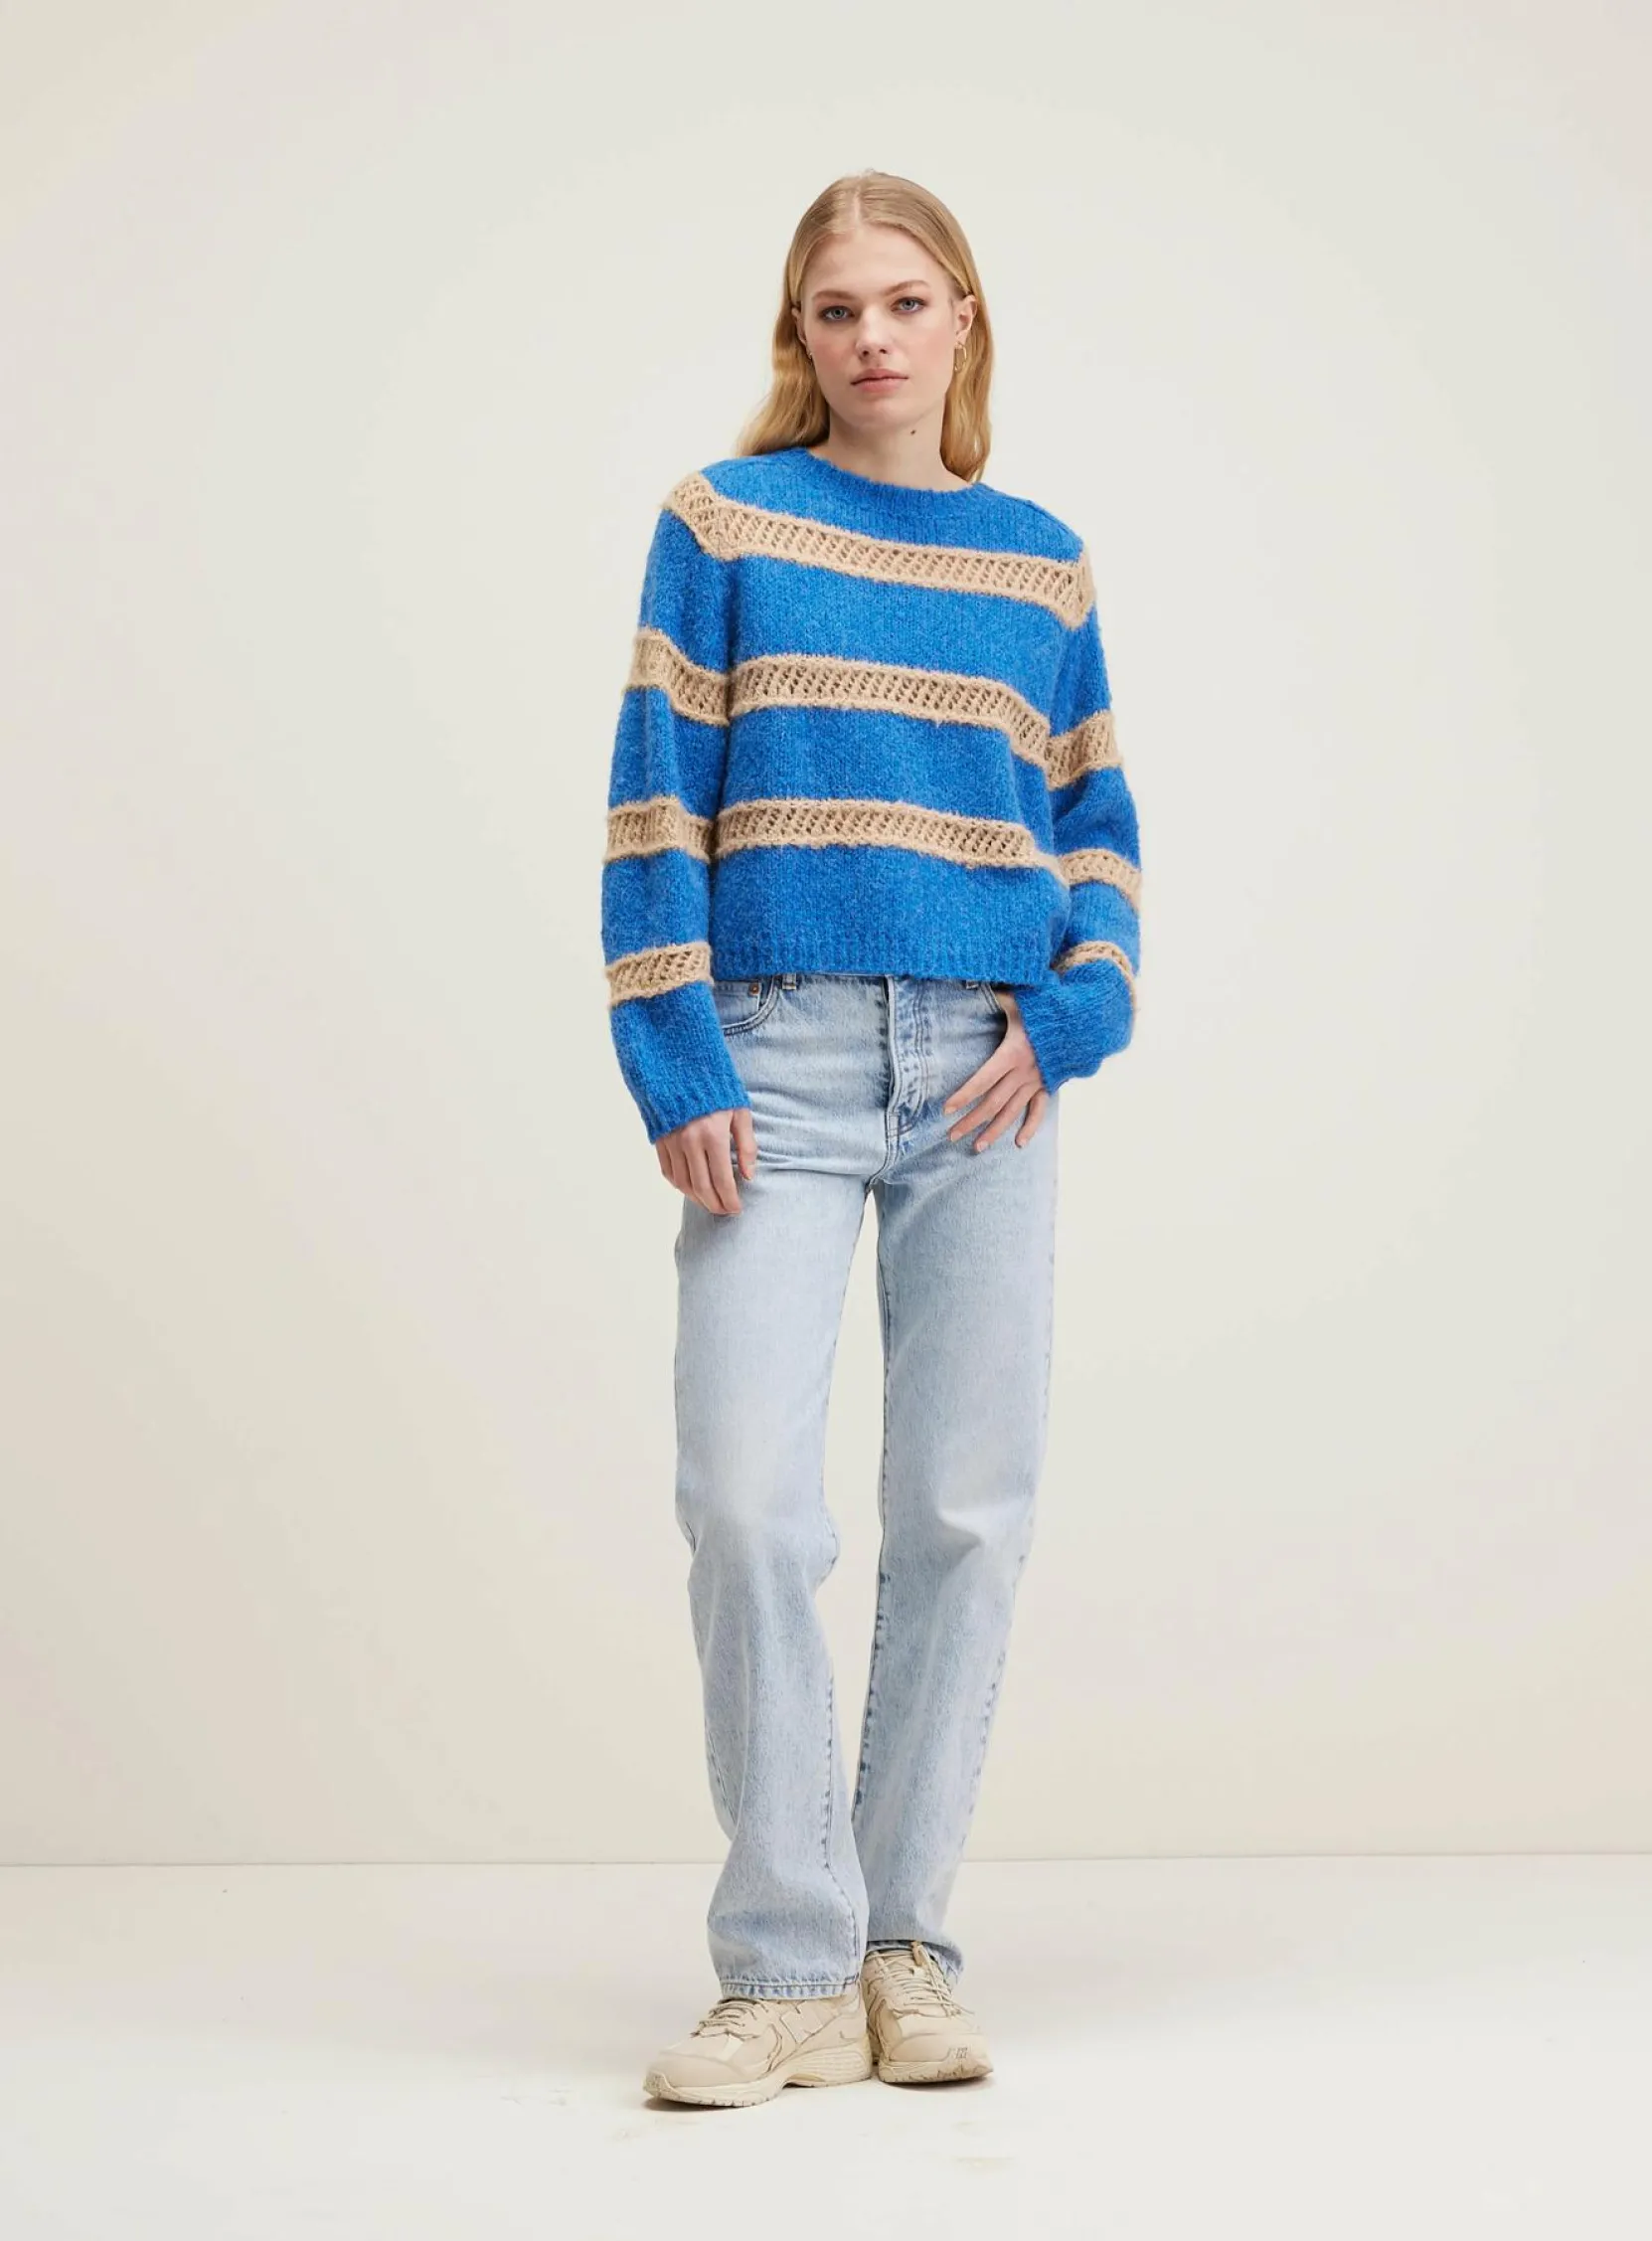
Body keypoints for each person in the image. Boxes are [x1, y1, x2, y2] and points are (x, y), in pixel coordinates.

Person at [600, 169, 1142, 2108]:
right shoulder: (723, 524)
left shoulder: (1039, 564)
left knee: (964, 1513)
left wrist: (1069, 1012)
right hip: (776, 1058)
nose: (872, 338)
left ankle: (899, 1940)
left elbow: (1095, 831)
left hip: (986, 1074)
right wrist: (674, 1053)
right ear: (800, 335)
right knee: (748, 1500)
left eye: (905, 302)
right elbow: (653, 799)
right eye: (836, 309)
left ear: (962, 318)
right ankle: (785, 1963)